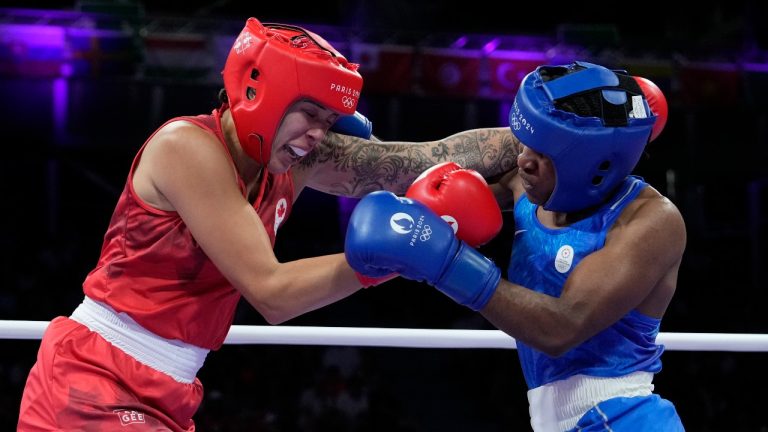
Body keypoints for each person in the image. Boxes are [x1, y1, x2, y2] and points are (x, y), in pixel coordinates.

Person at [17, 17, 517, 431]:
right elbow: (271, 292)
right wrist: (393, 254)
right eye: (309, 112)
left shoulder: (296, 157)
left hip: (170, 388)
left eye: (329, 118)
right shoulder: (186, 149)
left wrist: (534, 137)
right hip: (95, 379)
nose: (318, 133)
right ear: (260, 91)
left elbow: (428, 158)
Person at [346, 61, 686, 431]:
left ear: (592, 162)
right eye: (526, 142)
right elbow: (434, 197)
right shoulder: (527, 185)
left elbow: (562, 327)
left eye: (544, 153)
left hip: (625, 418)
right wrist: (362, 146)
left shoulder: (648, 221)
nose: (523, 160)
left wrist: (446, 264)